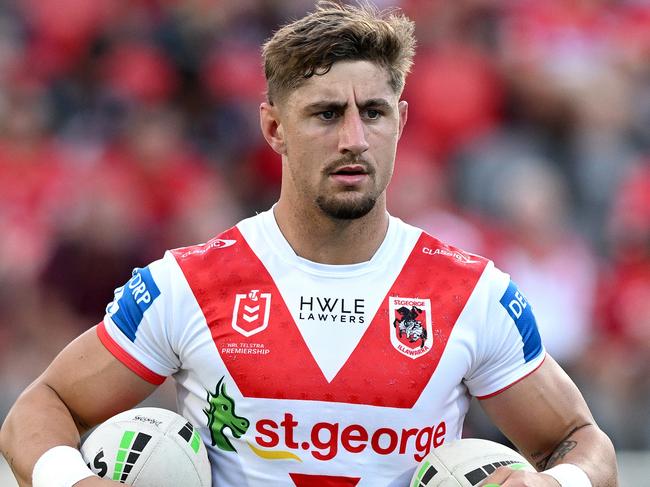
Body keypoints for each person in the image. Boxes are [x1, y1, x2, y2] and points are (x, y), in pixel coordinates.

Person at [0, 2, 618, 486]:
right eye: (325, 115)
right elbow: (42, 405)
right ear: (274, 127)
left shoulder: (471, 294)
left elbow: (580, 440)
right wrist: (73, 481)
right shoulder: (188, 284)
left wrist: (560, 482)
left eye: (373, 112)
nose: (354, 138)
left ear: (401, 121)